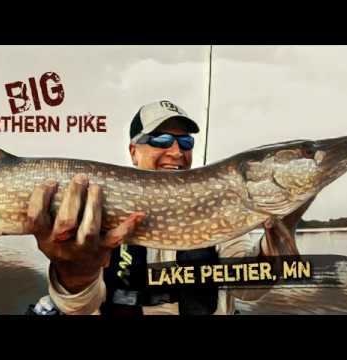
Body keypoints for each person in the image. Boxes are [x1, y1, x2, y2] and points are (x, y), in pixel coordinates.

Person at [25, 100, 313, 315]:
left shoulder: (220, 209)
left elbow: (248, 289)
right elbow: (79, 306)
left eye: (185, 141)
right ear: (133, 152)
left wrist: (281, 230)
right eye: (160, 139)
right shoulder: (98, 208)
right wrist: (76, 274)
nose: (177, 151)